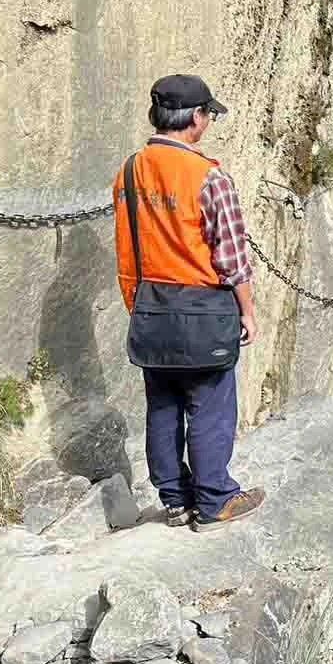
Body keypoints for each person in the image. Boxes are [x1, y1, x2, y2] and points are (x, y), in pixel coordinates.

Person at [112, 74, 264, 533]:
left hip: (150, 308)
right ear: (196, 118)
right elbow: (232, 256)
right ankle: (215, 499)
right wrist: (248, 312)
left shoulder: (129, 171)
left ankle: (175, 500)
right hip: (203, 309)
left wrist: (136, 305)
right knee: (210, 404)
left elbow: (126, 244)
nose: (209, 122)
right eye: (208, 114)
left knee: (162, 405)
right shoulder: (209, 177)